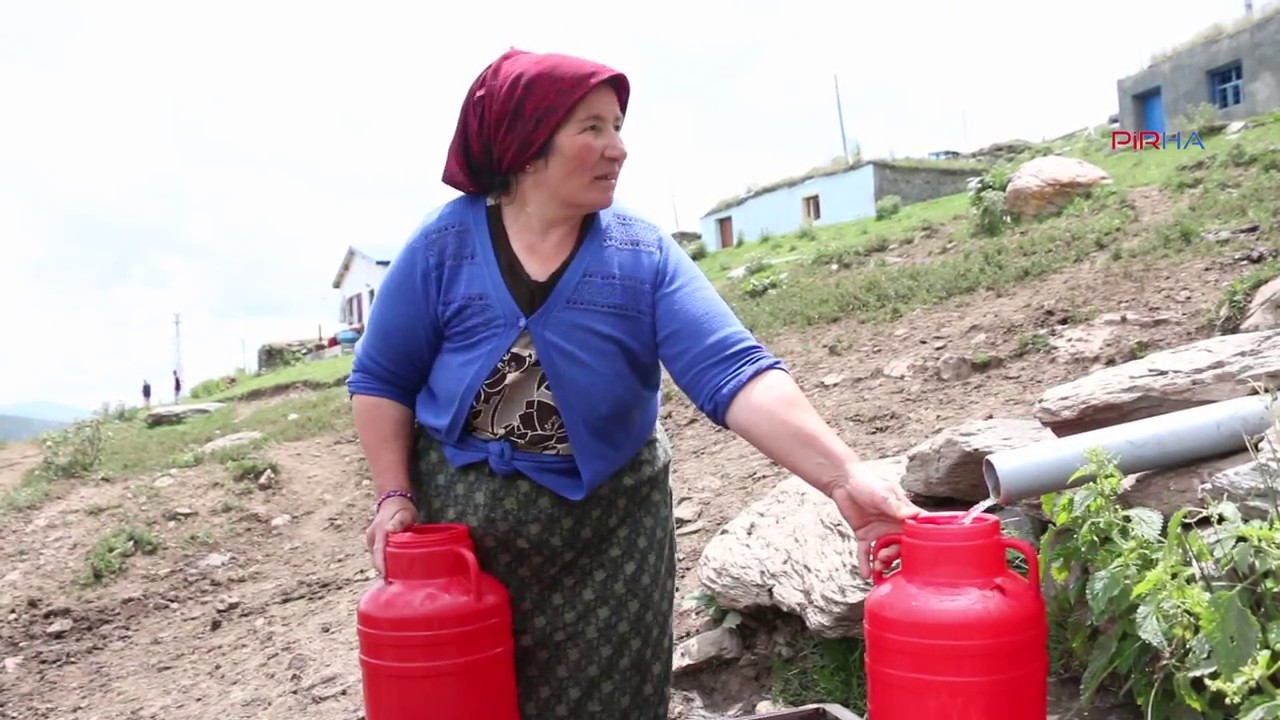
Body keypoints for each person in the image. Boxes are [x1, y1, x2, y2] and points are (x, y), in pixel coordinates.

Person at [347, 48, 922, 720]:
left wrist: (844, 478)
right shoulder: (443, 247)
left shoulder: (639, 255)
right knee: (462, 700)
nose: (617, 149)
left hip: (609, 540)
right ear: (527, 146)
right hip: (466, 537)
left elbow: (733, 372)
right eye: (592, 128)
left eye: (617, 127)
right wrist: (393, 495)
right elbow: (382, 379)